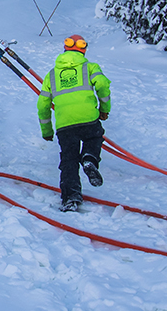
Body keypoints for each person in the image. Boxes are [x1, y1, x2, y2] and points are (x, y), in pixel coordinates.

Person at [37, 34, 111, 212]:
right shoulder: (90, 67)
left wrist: (47, 131)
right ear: (83, 50)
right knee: (94, 137)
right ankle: (89, 158)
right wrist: (104, 108)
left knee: (68, 160)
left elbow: (42, 105)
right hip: (88, 118)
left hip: (65, 125)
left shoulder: (52, 75)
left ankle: (71, 198)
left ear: (65, 50)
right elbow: (102, 84)